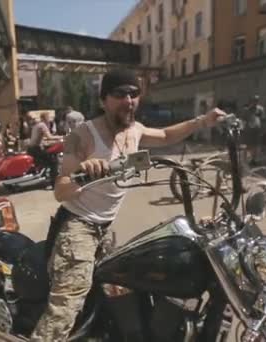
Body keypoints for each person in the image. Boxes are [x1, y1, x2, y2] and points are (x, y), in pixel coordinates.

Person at [29, 68, 226, 341]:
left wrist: (203, 121)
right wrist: (83, 168)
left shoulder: (135, 131)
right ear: (103, 100)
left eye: (134, 94)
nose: (129, 100)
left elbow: (167, 135)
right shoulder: (83, 135)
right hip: (79, 227)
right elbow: (61, 188)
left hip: (105, 228)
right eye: (120, 94)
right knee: (69, 299)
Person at [27, 112, 63, 185]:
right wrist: (62, 137)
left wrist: (52, 141)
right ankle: (54, 182)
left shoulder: (37, 125)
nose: (49, 119)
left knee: (48, 157)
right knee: (53, 162)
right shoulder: (42, 125)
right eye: (48, 117)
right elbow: (49, 137)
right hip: (36, 149)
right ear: (44, 118)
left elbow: (42, 138)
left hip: (31, 149)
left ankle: (45, 175)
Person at [241, 95, 265, 166]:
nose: (255, 102)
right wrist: (242, 129)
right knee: (247, 145)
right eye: (253, 100)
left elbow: (263, 119)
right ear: (250, 101)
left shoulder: (260, 109)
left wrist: (262, 130)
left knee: (256, 146)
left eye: (256, 100)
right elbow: (243, 120)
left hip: (257, 130)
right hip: (248, 130)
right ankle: (245, 160)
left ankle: (254, 160)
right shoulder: (247, 110)